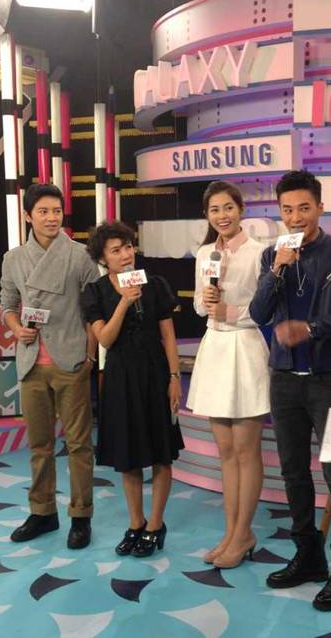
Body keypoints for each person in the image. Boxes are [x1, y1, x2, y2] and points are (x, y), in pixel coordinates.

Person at [249, 169, 331, 611]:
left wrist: (311, 329)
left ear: (320, 207)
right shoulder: (271, 255)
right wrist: (277, 269)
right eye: (287, 210)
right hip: (283, 381)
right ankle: (308, 556)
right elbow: (259, 312)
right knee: (293, 472)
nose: (296, 217)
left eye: (304, 208)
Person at [0, 183, 99, 549]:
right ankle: (42, 512)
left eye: (56, 211)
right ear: (28, 216)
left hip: (70, 358)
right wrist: (15, 328)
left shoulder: (80, 255)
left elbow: (94, 309)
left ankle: (81, 515)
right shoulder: (13, 258)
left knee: (79, 444)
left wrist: (90, 356)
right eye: (43, 211)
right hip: (31, 360)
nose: (51, 218)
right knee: (39, 443)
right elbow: (7, 302)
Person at [82, 221, 184, 557]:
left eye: (128, 247)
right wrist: (124, 302)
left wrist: (174, 377)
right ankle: (136, 522)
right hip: (120, 378)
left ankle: (155, 525)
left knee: (161, 454)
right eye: (116, 250)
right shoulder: (95, 292)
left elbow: (168, 335)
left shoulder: (155, 284)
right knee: (129, 458)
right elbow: (105, 339)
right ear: (103, 259)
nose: (126, 255)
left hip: (156, 374)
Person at [187, 181, 270, 569]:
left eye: (228, 208)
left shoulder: (259, 252)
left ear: (241, 210)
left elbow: (267, 307)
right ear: (207, 215)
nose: (222, 216)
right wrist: (206, 303)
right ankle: (232, 533)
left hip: (246, 347)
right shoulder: (205, 253)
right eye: (214, 210)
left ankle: (243, 533)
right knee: (225, 451)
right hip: (215, 347)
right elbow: (198, 306)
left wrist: (231, 312)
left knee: (245, 450)